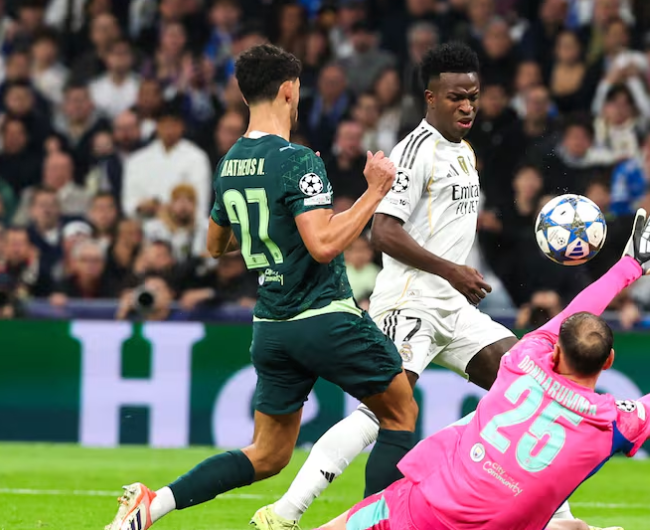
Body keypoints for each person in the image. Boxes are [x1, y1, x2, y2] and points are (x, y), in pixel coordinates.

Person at [259, 42, 605, 530]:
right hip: (410, 303)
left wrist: (455, 275)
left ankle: (555, 516)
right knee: (381, 415)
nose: (467, 106)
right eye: (456, 97)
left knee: (530, 385)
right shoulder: (413, 152)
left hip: (453, 307)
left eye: (473, 97)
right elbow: (383, 231)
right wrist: (451, 270)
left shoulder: (464, 151)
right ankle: (283, 513)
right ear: (430, 97)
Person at [104, 44, 418, 530]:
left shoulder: (230, 161)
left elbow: (215, 244)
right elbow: (323, 245)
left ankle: (153, 503)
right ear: (289, 90)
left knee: (268, 454)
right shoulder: (297, 160)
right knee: (400, 412)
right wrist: (375, 191)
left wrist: (281, 217)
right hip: (324, 317)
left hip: (272, 327)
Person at [310, 206, 650, 530]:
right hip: (492, 523)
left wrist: (629, 266)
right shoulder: (609, 422)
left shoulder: (523, 359)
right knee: (561, 524)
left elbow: (576, 311)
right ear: (609, 362)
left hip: (420, 503)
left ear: (555, 348)